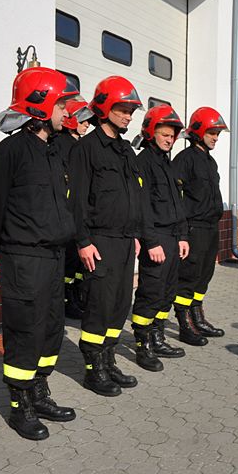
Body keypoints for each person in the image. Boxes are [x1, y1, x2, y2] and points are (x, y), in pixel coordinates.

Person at [0, 67, 79, 440]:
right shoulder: (9, 153)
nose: (68, 112)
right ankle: (20, 407)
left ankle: (40, 391)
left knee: (51, 330)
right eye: (62, 105)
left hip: (52, 260)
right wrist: (12, 253)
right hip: (24, 260)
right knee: (24, 333)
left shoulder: (52, 152)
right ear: (41, 104)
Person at [69, 75, 144, 397]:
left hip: (126, 241)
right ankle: (92, 369)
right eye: (123, 109)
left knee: (118, 305)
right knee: (99, 306)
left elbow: (133, 195)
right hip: (99, 241)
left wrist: (137, 235)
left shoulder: (125, 150)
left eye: (131, 111)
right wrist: (83, 241)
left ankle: (109, 359)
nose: (129, 116)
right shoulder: (87, 148)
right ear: (104, 108)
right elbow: (76, 200)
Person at [131, 104, 190, 371]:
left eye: (172, 135)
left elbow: (176, 205)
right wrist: (151, 241)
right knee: (150, 293)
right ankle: (143, 346)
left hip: (172, 237)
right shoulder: (143, 162)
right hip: (155, 239)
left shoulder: (166, 163)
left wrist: (182, 236)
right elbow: (142, 207)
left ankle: (157, 336)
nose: (169, 139)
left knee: (167, 293)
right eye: (165, 134)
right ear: (150, 132)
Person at [172, 107, 229, 343]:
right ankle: (185, 325)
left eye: (218, 133)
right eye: (212, 132)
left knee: (204, 275)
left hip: (210, 228)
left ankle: (198, 317)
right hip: (193, 228)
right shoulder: (185, 159)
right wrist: (182, 232)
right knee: (188, 276)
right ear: (198, 131)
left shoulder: (210, 161)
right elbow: (175, 197)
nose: (216, 137)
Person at [53, 98, 94, 320]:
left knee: (77, 264)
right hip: (67, 214)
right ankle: (67, 300)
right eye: (84, 120)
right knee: (69, 261)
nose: (87, 125)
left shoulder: (77, 144)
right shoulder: (61, 144)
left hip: (79, 213)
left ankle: (75, 297)